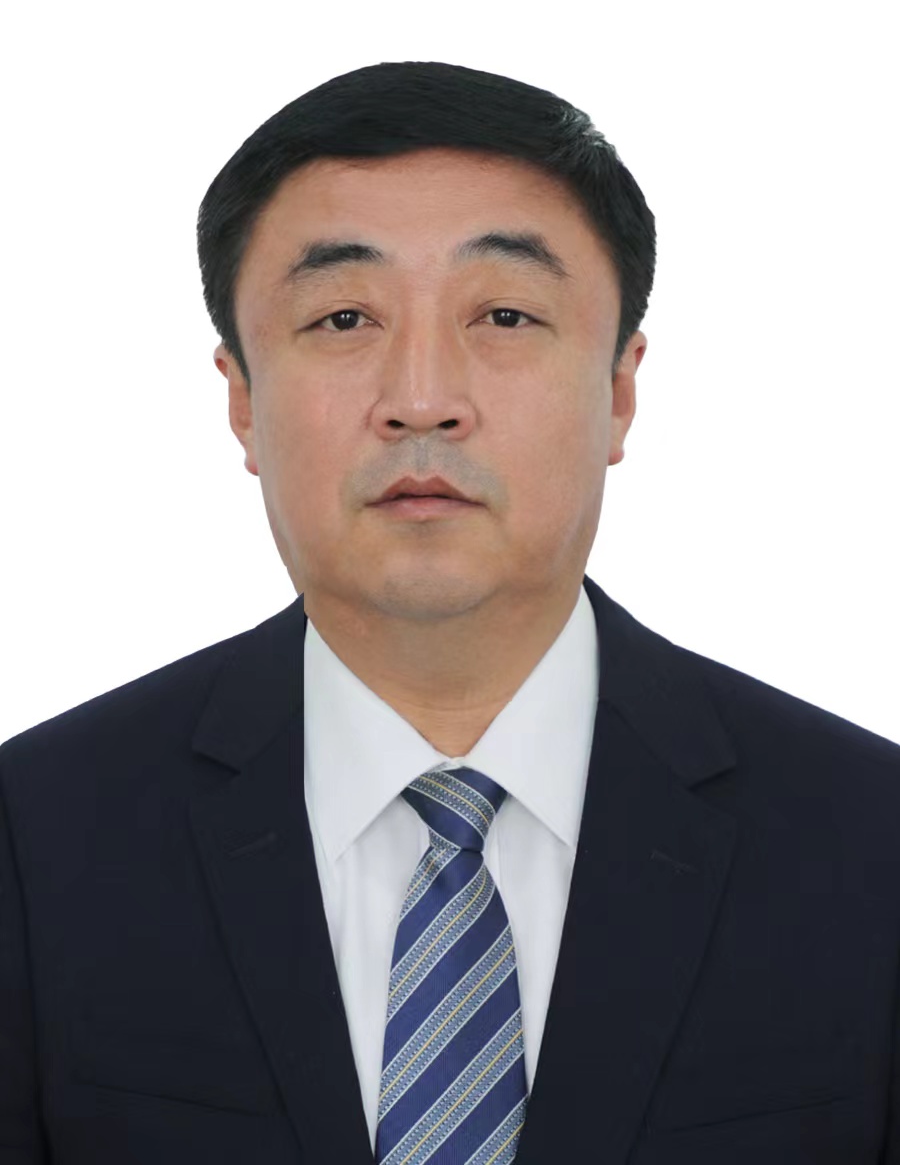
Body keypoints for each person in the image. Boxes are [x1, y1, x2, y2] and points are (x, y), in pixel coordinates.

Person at [1, 60, 898, 1165]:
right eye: (343, 317)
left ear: (620, 389)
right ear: (241, 400)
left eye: (505, 314)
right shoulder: (36, 840)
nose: (422, 399)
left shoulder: (870, 842)